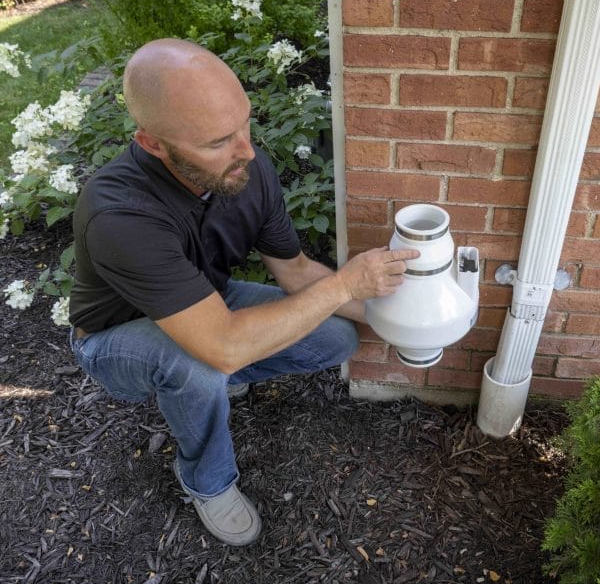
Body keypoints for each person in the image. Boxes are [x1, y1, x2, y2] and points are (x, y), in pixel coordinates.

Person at [67, 38, 418, 547]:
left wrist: (398, 321)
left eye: (244, 125)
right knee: (197, 363)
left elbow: (295, 271)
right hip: (114, 339)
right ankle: (206, 481)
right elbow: (225, 345)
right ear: (153, 144)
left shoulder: (244, 170)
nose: (246, 150)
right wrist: (345, 282)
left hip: (209, 306)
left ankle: (210, 386)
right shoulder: (119, 215)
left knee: (335, 337)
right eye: (217, 141)